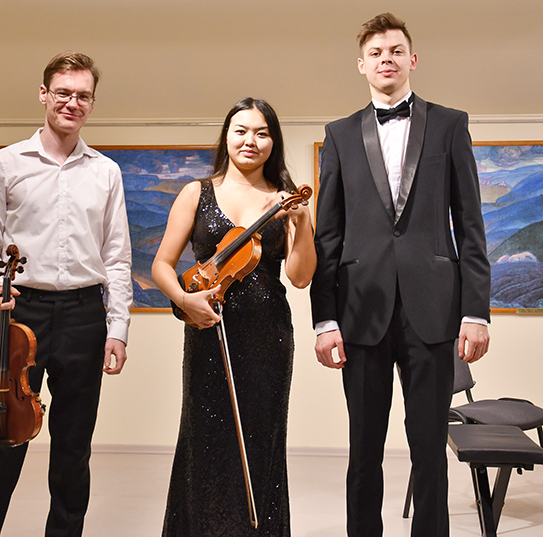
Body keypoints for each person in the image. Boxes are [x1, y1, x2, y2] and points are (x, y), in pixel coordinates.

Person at [310, 13, 491, 537]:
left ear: (412, 59)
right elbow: (328, 237)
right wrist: (325, 321)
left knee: (429, 451)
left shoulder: (451, 124)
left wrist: (476, 312)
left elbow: (471, 226)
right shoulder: (339, 134)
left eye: (395, 51)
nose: (385, 59)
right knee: (363, 451)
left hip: (433, 313)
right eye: (376, 53)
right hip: (360, 312)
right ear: (361, 65)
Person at [0, 51, 133, 537]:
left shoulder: (106, 172)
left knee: (73, 451)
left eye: (83, 96)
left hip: (85, 317)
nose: (72, 103)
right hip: (22, 315)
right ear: (44, 94)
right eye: (63, 93)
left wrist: (118, 328)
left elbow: (117, 258)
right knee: (1, 442)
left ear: (92, 103)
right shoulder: (4, 163)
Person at [152, 97, 316, 536]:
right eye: (241, 130)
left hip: (268, 337)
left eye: (262, 133)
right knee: (204, 442)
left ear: (273, 142)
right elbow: (162, 265)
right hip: (209, 330)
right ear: (226, 136)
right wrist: (183, 299)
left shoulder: (285, 201)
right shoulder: (196, 193)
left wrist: (302, 223)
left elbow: (300, 277)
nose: (250, 140)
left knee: (261, 442)